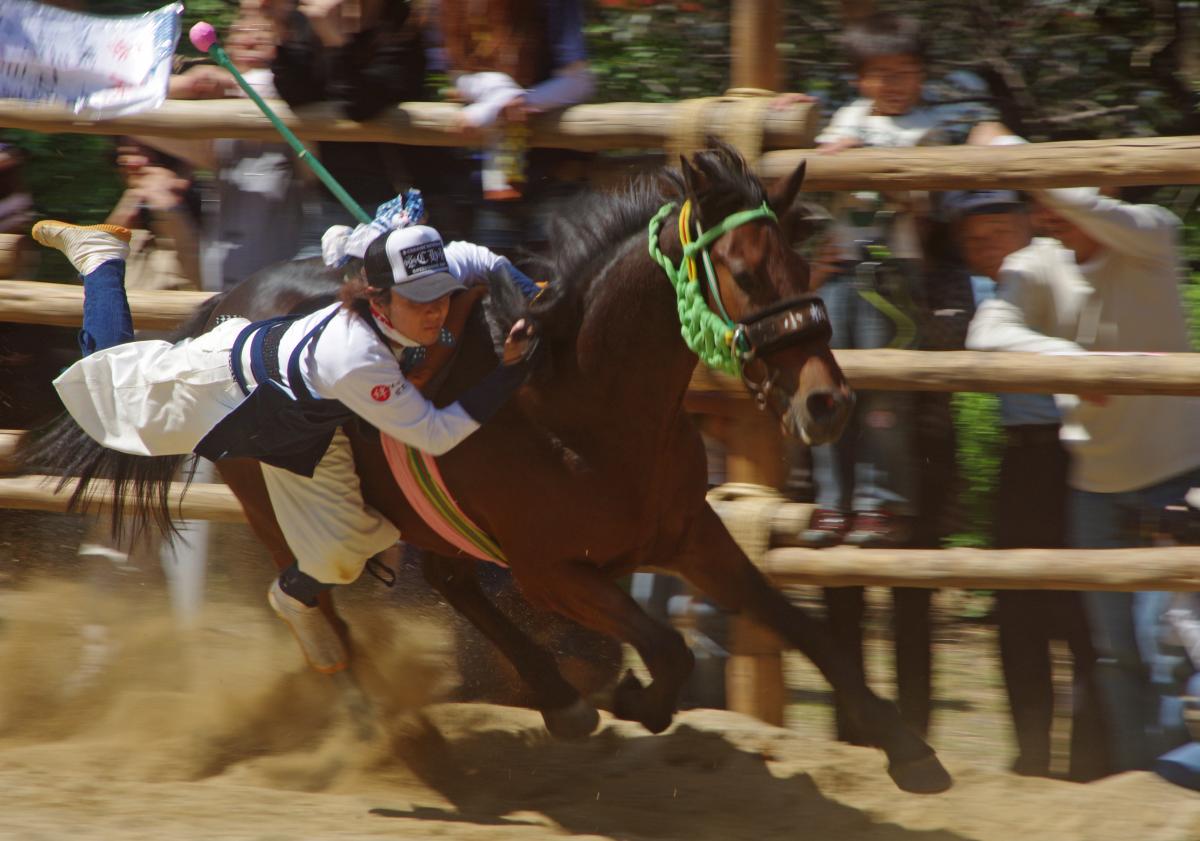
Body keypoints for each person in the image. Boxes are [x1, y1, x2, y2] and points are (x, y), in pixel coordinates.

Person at [34, 210, 537, 675]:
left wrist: (533, 305)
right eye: (417, 300)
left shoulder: (409, 283)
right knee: (109, 396)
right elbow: (435, 433)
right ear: (378, 298)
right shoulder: (357, 357)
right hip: (224, 393)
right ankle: (99, 258)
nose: (435, 312)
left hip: (304, 421)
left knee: (350, 547)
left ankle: (295, 595)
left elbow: (480, 256)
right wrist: (511, 372)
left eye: (442, 295)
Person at [966, 122, 1200, 773]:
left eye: (1061, 190)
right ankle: (1136, 792)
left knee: (1169, 648)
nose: (1048, 211)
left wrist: (1016, 153)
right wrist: (1073, 361)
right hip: (1094, 488)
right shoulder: (1036, 263)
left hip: (1179, 473)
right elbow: (988, 335)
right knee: (1112, 654)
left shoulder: (1151, 233)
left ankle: (1178, 786)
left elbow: (1083, 204)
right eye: (1039, 199)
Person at [948, 186, 1108, 781]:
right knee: (1016, 613)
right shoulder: (972, 289)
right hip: (1022, 462)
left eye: (996, 233)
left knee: (1082, 614)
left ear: (1027, 229)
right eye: (971, 240)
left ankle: (1093, 762)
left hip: (1080, 455)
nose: (983, 247)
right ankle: (1031, 757)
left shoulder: (1062, 267)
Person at [269, 0, 432, 255]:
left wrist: (334, 41)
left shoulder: (403, 30)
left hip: (391, 207)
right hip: (327, 201)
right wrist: (282, 29)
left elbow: (362, 106)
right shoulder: (312, 23)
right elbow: (296, 95)